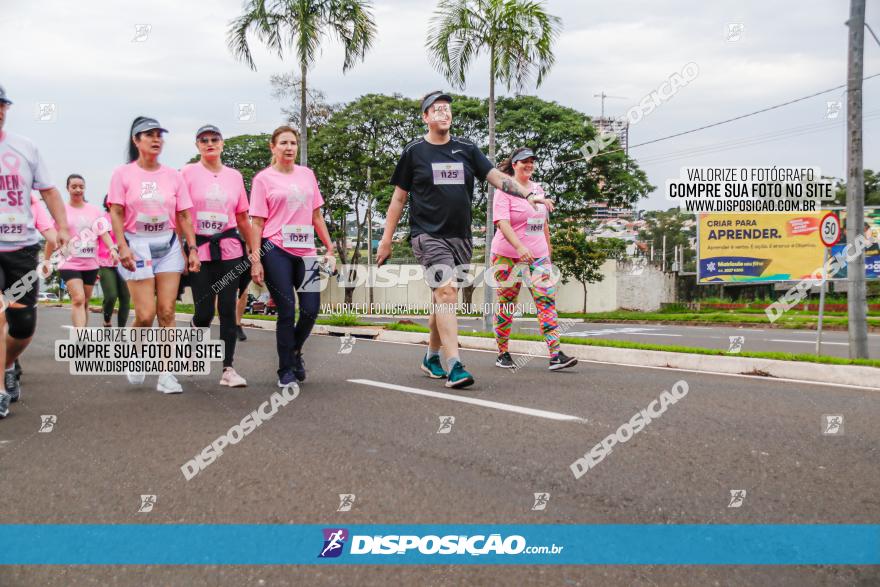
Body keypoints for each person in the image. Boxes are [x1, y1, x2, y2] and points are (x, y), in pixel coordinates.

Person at [376, 91, 554, 389]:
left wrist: (528, 193)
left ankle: (431, 356)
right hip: (427, 236)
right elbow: (398, 198)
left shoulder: (466, 149)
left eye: (447, 109)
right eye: (437, 110)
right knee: (446, 293)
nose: (443, 114)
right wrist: (386, 239)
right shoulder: (414, 152)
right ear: (425, 117)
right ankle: (455, 364)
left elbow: (498, 178)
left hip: (461, 238)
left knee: (442, 298)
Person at [108, 116, 200, 394]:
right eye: (149, 134)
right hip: (137, 245)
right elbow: (116, 211)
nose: (156, 139)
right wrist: (121, 245)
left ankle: (166, 373)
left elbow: (184, 215)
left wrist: (191, 249)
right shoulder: (123, 174)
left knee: (168, 311)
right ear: (136, 141)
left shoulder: (173, 176)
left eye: (159, 134)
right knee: (146, 315)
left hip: (168, 245)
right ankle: (135, 353)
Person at [0, 84, 70, 418]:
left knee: (23, 326)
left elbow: (51, 192)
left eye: (2, 105)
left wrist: (64, 227)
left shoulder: (25, 148)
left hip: (22, 249)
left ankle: (9, 364)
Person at [248, 126, 335, 387]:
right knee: (286, 310)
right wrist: (255, 259)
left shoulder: (307, 175)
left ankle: (294, 351)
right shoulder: (263, 179)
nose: (289, 148)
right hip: (276, 250)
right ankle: (285, 369)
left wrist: (329, 248)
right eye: (284, 143)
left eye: (293, 143)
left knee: (310, 310)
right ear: (272, 147)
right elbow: (257, 223)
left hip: (307, 251)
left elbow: (316, 216)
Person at [490, 147, 576, 371]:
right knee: (507, 304)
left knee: (546, 302)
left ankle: (556, 354)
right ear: (514, 165)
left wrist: (548, 250)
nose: (529, 165)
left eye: (532, 161)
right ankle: (503, 352)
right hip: (507, 256)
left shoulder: (538, 189)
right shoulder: (504, 189)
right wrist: (519, 248)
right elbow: (501, 223)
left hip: (538, 257)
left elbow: (542, 223)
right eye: (524, 161)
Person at [181, 124, 253, 388]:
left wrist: (253, 250)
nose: (209, 143)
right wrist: (185, 248)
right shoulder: (188, 173)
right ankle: (191, 350)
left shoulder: (234, 176)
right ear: (197, 145)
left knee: (227, 309)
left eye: (214, 139)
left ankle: (228, 369)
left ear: (222, 144)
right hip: (199, 249)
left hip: (230, 249)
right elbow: (182, 213)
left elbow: (243, 217)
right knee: (203, 312)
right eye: (203, 140)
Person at [46, 175, 116, 328]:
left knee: (85, 302)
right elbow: (51, 237)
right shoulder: (61, 211)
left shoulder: (94, 211)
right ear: (68, 189)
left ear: (84, 188)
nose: (78, 190)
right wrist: (46, 261)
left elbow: (103, 233)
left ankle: (81, 334)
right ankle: (79, 338)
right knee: (78, 298)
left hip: (90, 263)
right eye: (74, 186)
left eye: (81, 186)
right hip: (69, 262)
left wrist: (112, 248)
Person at [97, 195, 130, 327]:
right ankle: (106, 320)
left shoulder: (127, 219)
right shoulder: (102, 220)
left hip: (124, 263)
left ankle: (121, 330)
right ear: (108, 204)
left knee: (125, 297)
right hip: (105, 263)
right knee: (111, 296)